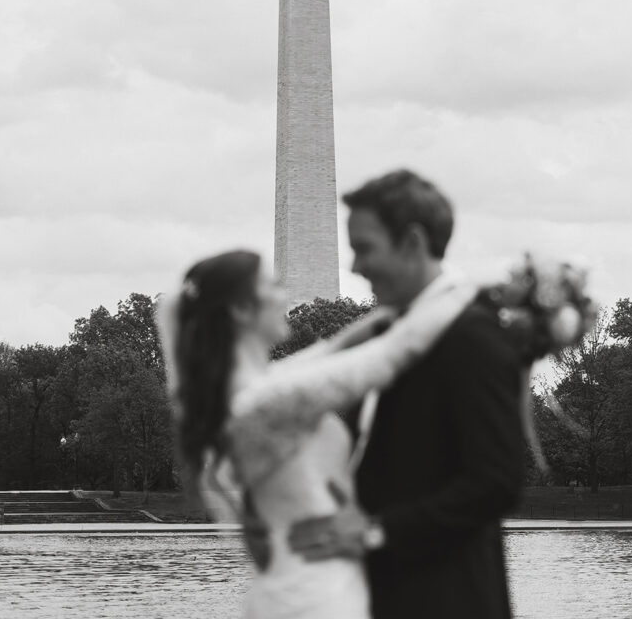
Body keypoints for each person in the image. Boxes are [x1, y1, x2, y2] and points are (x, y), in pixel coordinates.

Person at [158, 247, 480, 619]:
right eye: (274, 285)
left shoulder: (251, 390)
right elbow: (396, 351)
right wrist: (473, 290)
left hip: (299, 590)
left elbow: (337, 347)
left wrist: (392, 311)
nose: (286, 295)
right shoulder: (269, 399)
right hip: (318, 600)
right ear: (241, 309)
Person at [288, 170, 526, 619]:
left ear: (412, 243)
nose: (355, 266)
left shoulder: (470, 335)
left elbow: (496, 482)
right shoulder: (391, 338)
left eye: (364, 248)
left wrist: (375, 532)